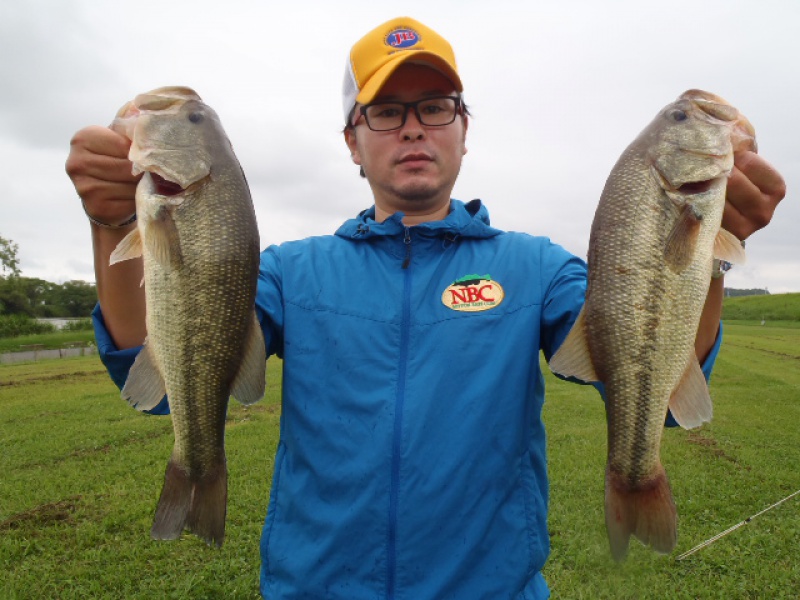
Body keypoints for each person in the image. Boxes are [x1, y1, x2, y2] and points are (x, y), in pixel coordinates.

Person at [65, 16, 785, 600]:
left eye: (435, 107)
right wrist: (111, 226)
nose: (413, 128)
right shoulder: (287, 271)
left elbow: (654, 388)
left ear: (463, 128)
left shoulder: (538, 269)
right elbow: (149, 367)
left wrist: (711, 250)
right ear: (352, 141)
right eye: (385, 111)